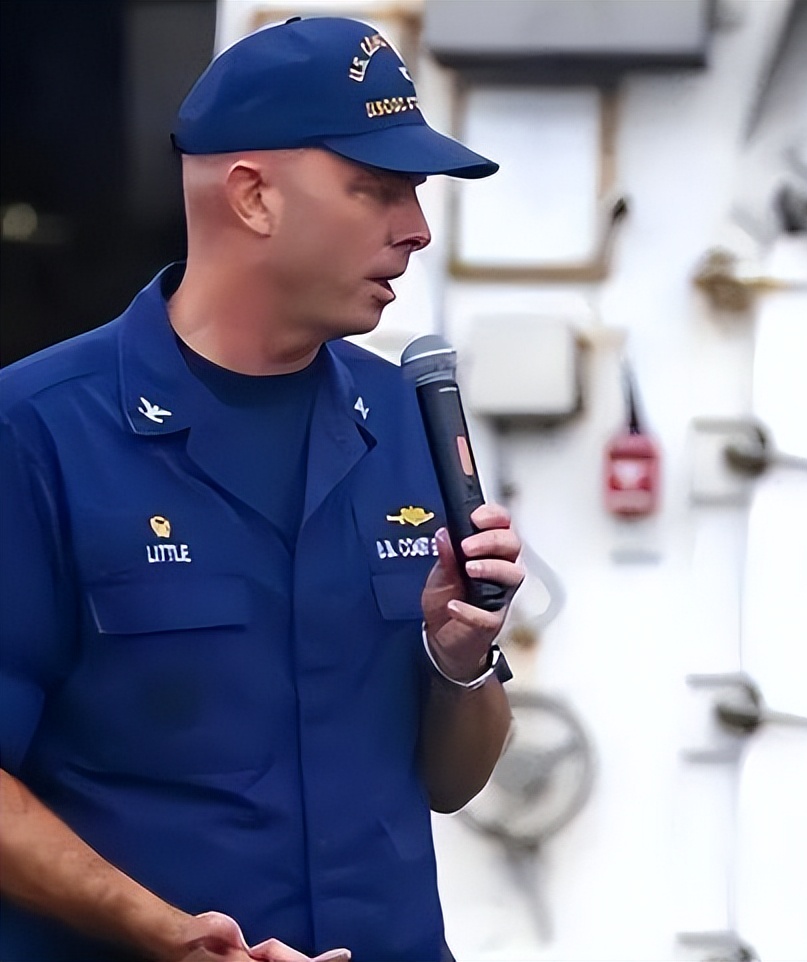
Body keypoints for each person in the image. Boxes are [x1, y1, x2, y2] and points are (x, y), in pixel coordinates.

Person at [0, 17, 524, 962]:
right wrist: (165, 934)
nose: (416, 228)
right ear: (252, 198)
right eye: (379, 188)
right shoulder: (36, 432)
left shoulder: (404, 415)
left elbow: (453, 784)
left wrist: (462, 660)